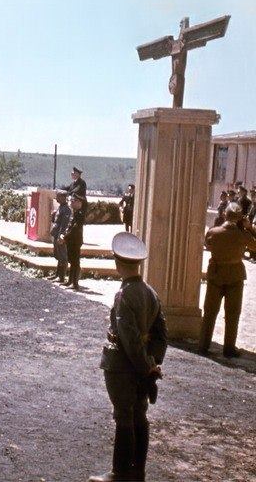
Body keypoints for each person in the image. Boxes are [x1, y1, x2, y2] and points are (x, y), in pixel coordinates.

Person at [90, 232, 167, 482]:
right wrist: (152, 364)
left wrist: (144, 367)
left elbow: (129, 338)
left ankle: (119, 473)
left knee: (124, 416)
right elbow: (161, 334)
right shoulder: (150, 292)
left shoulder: (124, 295)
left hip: (122, 366)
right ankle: (137, 472)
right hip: (141, 365)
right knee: (139, 416)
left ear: (117, 263)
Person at [198, 202, 256, 358]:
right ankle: (229, 348)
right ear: (239, 218)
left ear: (225, 214)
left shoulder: (213, 232)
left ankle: (203, 345)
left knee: (210, 312)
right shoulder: (242, 235)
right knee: (232, 314)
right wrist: (249, 227)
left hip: (216, 274)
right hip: (235, 276)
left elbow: (208, 245)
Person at [59, 195, 85, 289]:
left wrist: (65, 237)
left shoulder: (80, 214)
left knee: (75, 262)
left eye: (74, 201)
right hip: (71, 240)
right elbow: (69, 227)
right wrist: (64, 235)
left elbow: (75, 229)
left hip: (75, 241)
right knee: (71, 261)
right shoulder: (74, 213)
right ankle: (70, 281)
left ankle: (75, 283)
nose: (72, 202)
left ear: (79, 203)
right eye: (71, 200)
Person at [50, 190, 71, 283]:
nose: (56, 198)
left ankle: (62, 277)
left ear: (63, 197)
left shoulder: (66, 209)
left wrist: (60, 236)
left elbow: (64, 225)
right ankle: (57, 274)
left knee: (62, 257)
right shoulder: (60, 207)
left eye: (58, 196)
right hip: (56, 234)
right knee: (58, 255)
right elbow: (56, 221)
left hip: (60, 236)